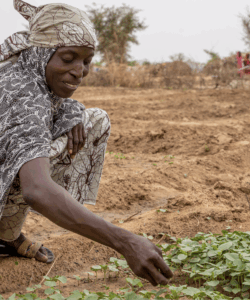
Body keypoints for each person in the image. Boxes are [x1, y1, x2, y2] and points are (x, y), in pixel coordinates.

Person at [0, 0, 173, 286]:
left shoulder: (29, 70)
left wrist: (72, 110)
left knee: (93, 119)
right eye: (68, 59)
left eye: (86, 61)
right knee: (37, 166)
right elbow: (37, 189)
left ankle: (5, 232)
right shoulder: (24, 94)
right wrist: (125, 241)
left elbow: (49, 108)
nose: (79, 71)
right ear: (42, 53)